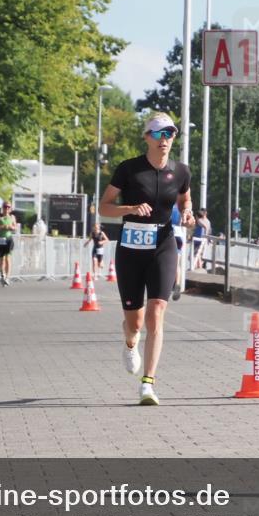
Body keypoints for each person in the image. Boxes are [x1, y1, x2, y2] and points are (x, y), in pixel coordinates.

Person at [98, 112, 193, 405]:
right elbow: (103, 208)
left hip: (163, 244)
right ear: (147, 138)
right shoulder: (128, 169)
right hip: (131, 248)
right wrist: (128, 208)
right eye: (160, 134)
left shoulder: (181, 171)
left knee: (157, 312)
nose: (166, 139)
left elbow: (184, 198)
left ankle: (147, 384)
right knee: (135, 323)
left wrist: (187, 213)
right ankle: (129, 342)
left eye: (171, 134)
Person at [0, 202, 17, 286]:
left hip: (9, 239)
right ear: (3, 207)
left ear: (10, 209)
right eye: (5, 207)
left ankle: (7, 278)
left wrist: (11, 227)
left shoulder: (12, 217)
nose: (7, 209)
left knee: (8, 258)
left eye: (8, 207)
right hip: (1, 239)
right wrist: (2, 227)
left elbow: (15, 228)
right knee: (2, 259)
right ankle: (3, 275)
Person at [169, 203, 190, 300]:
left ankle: (166, 284)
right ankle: (177, 283)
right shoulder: (182, 207)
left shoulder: (167, 203)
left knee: (164, 260)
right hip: (179, 233)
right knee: (177, 263)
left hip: (169, 232)